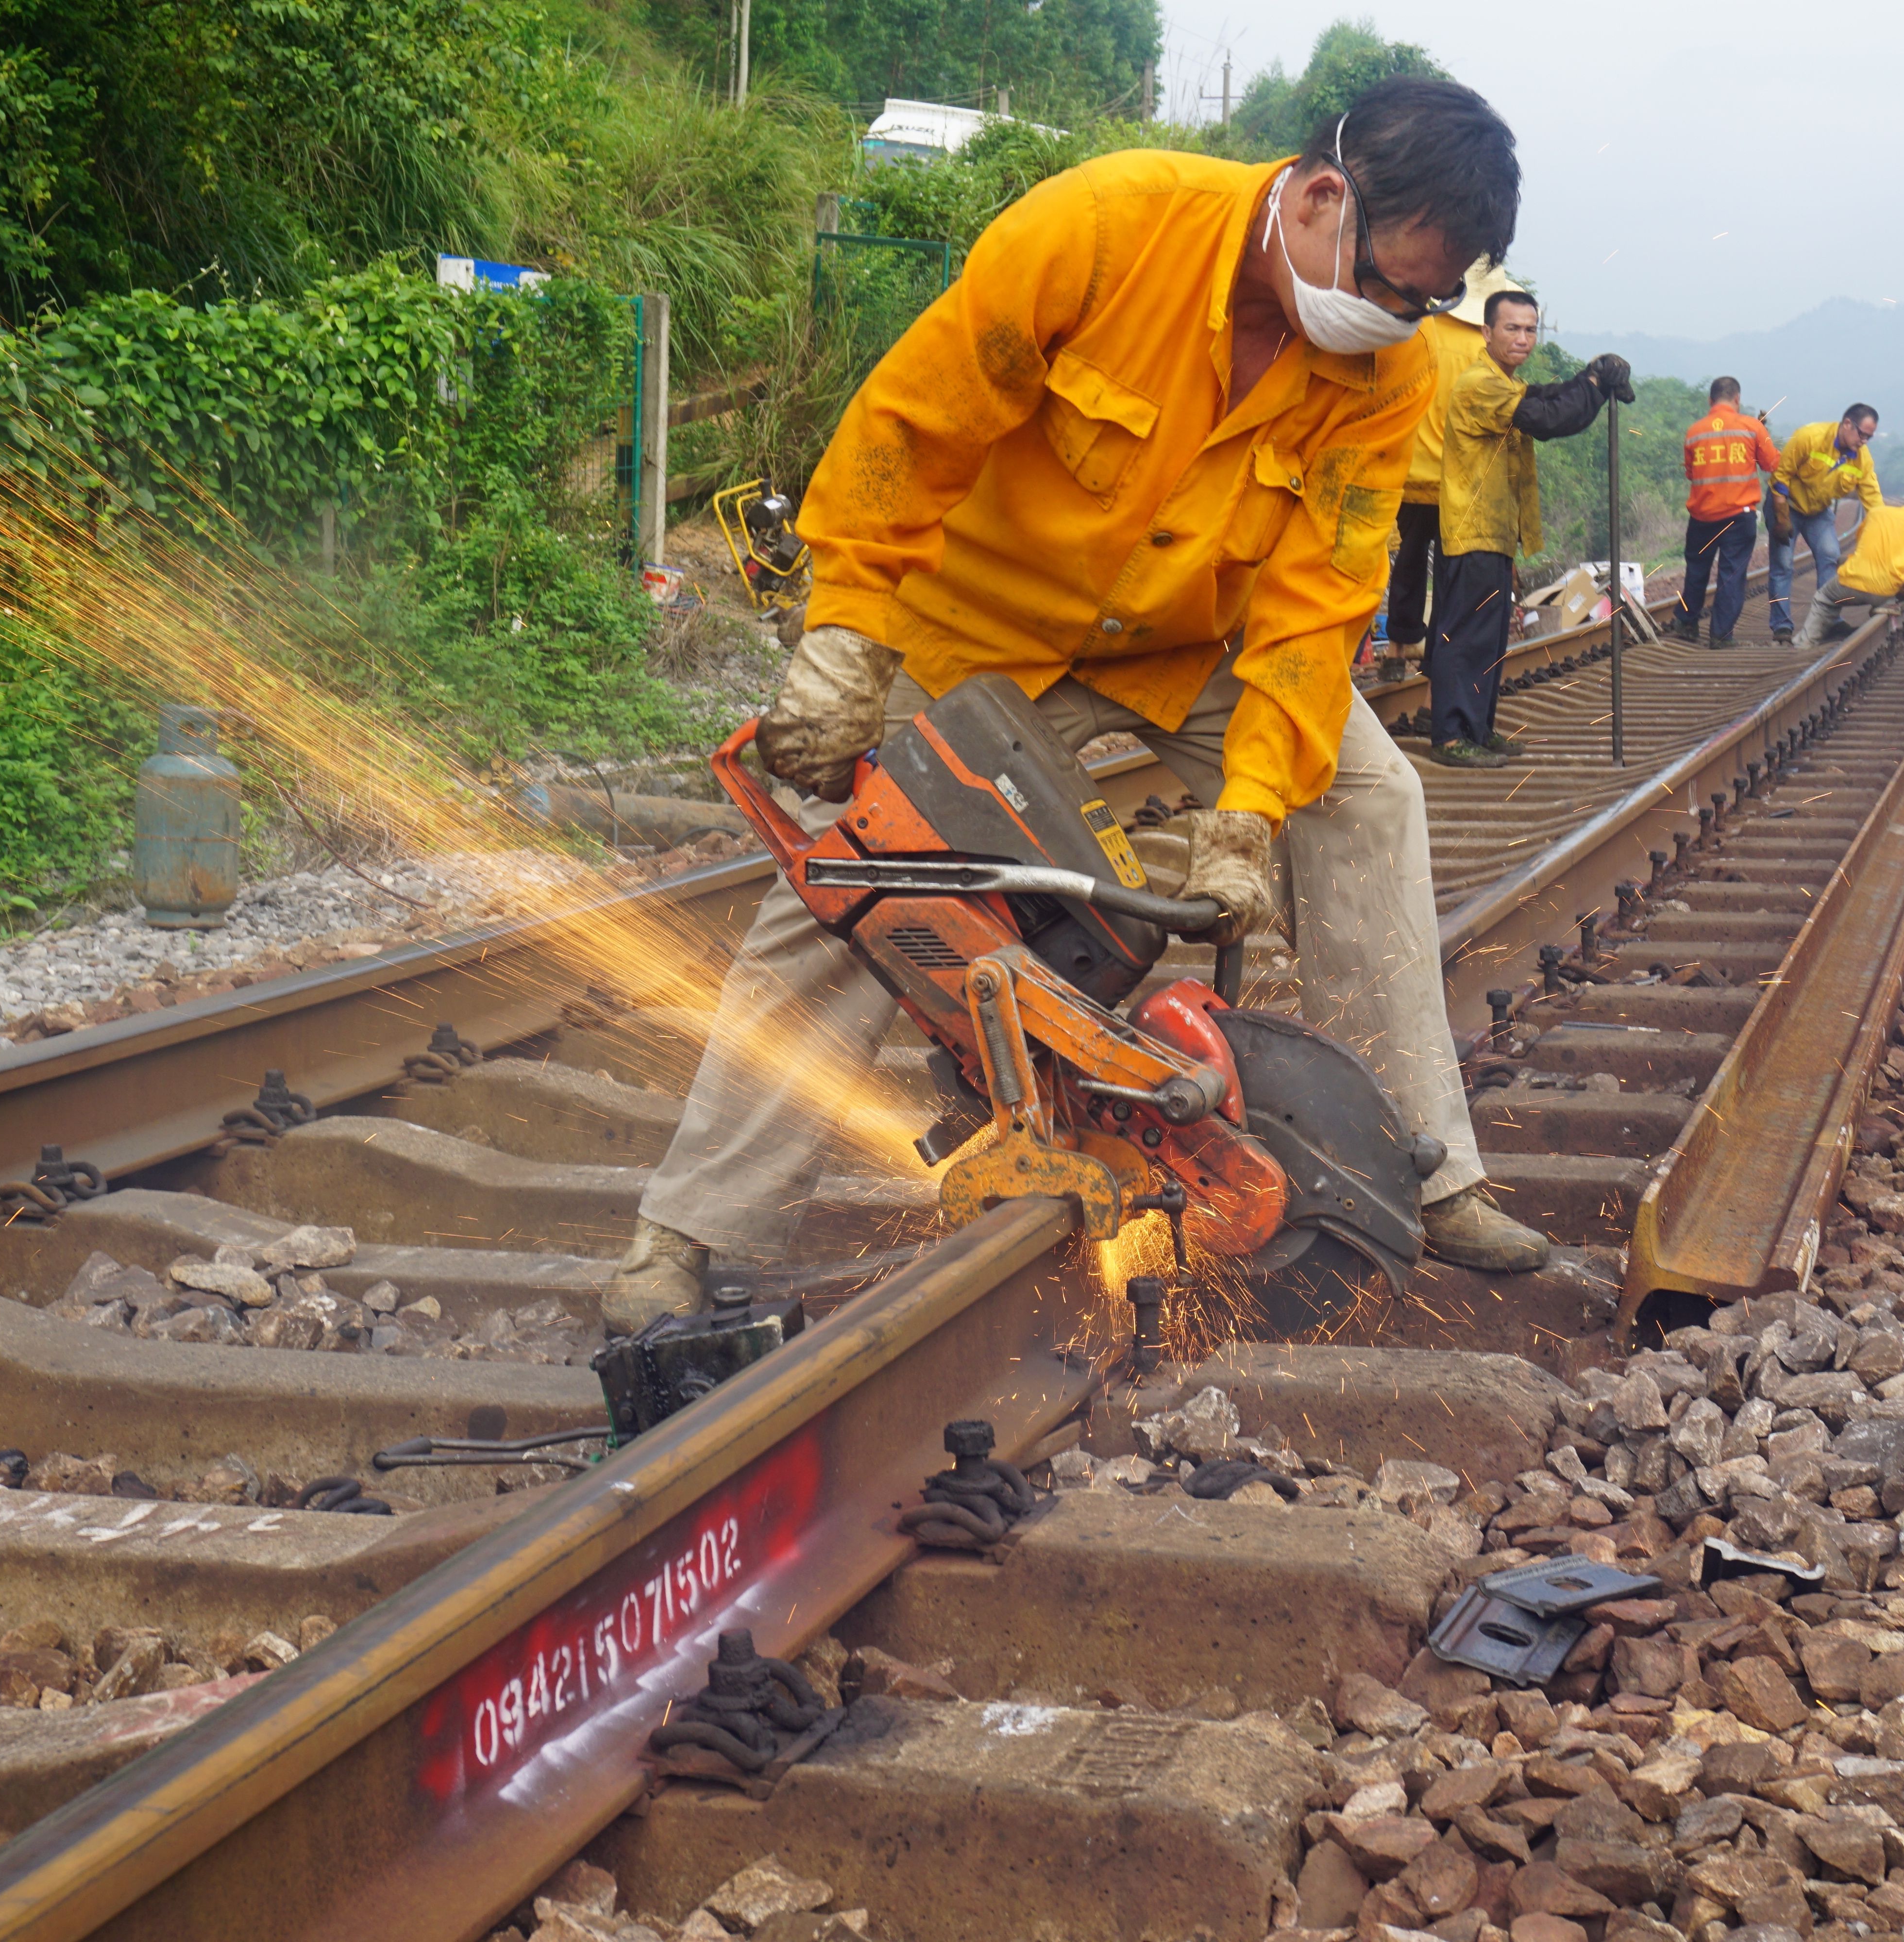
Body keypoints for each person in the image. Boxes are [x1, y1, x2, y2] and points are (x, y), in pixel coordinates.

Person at [605, 82, 1555, 1332]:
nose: (1395, 322)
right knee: (858, 877)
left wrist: (1251, 811)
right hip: (982, 627)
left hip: (1186, 643)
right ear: (1324, 197)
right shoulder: (1107, 228)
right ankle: (689, 1231)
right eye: (1389, 288)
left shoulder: (1381, 383)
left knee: (1373, 796)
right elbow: (914, 428)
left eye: (1425, 305)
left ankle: (1427, 1170)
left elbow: (1317, 610)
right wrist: (845, 634)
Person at [1425, 291, 1631, 768]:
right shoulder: (1481, 384)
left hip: (1494, 533)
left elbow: (1546, 398)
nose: (1523, 338)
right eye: (1512, 328)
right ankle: (1452, 736)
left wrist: (1588, 381)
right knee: (1469, 635)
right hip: (1472, 530)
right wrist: (1595, 382)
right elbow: (1548, 418)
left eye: (1530, 329)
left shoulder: (1505, 383)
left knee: (1490, 638)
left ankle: (1477, 729)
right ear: (1487, 332)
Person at [1383, 260, 1526, 674]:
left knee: (1409, 564)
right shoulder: (1490, 352)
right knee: (1451, 575)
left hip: (1412, 474)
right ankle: (1435, 666)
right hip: (1463, 484)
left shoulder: (1423, 328)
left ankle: (1396, 651)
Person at [1672, 376, 1777, 648]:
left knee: (1696, 570)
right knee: (1731, 575)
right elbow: (1772, 464)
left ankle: (1686, 623)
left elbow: (1691, 473)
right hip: (1738, 517)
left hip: (1702, 516)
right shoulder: (1752, 427)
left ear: (1710, 401)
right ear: (1737, 399)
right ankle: (1721, 635)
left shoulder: (1695, 431)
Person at [1764, 403, 1882, 642]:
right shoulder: (1809, 437)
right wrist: (1781, 517)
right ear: (1847, 424)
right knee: (1783, 564)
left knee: (1830, 554)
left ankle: (1829, 622)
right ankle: (1782, 627)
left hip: (1818, 511)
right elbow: (1781, 477)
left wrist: (1886, 531)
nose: (1865, 441)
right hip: (1787, 504)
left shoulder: (1862, 460)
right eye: (1863, 434)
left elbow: (1873, 501)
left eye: (1870, 437)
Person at [1793, 488, 1904, 646]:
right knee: (1894, 595)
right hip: (1886, 591)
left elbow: (1861, 540)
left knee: (1825, 598)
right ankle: (1881, 616)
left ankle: (1805, 643)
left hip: (1851, 584)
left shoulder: (1876, 514)